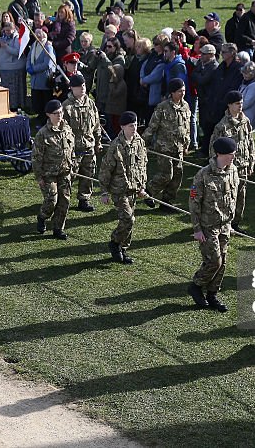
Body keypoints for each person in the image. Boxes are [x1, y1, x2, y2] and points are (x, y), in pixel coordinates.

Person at [187, 137, 240, 313]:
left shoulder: (233, 171)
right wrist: (196, 229)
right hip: (208, 226)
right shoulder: (203, 174)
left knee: (223, 262)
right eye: (229, 155)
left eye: (233, 154)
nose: (232, 157)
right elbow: (194, 202)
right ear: (219, 154)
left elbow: (233, 197)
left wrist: (231, 222)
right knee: (214, 261)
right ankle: (196, 285)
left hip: (225, 224)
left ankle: (212, 294)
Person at [99, 111, 148, 264]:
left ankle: (123, 249)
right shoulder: (116, 146)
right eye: (130, 126)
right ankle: (114, 243)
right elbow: (106, 169)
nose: (134, 128)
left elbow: (142, 166)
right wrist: (104, 191)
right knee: (128, 219)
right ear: (122, 127)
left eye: (135, 125)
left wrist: (142, 187)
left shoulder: (139, 142)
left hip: (133, 189)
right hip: (119, 190)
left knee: (129, 221)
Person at [143, 78, 191, 211]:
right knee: (166, 174)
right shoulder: (162, 107)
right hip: (164, 147)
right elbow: (152, 127)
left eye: (184, 91)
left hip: (179, 148)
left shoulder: (186, 106)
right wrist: (143, 143)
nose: (182, 93)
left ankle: (167, 202)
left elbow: (187, 128)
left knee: (177, 175)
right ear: (172, 92)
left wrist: (187, 144)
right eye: (180, 91)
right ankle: (149, 192)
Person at [209, 91, 255, 231]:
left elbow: (250, 143)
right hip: (228, 168)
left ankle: (235, 223)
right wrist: (218, 168)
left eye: (241, 103)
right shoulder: (222, 126)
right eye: (237, 104)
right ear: (229, 105)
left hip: (243, 166)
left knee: (241, 196)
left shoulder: (245, 121)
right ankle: (223, 223)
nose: (240, 106)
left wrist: (251, 162)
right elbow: (213, 149)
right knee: (227, 196)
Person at [33, 99, 76, 239]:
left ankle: (58, 228)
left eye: (61, 112)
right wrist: (39, 177)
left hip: (65, 172)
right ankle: (42, 217)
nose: (59, 115)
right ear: (48, 115)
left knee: (64, 201)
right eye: (56, 113)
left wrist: (73, 165)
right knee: (52, 199)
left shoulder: (67, 129)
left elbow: (71, 149)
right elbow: (36, 157)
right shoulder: (42, 134)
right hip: (48, 174)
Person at [61, 73, 101, 213]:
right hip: (73, 150)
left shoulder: (90, 104)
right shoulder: (66, 106)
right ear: (72, 88)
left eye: (83, 85)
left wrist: (98, 142)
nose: (82, 88)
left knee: (88, 174)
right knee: (68, 177)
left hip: (89, 146)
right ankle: (60, 200)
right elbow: (61, 130)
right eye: (78, 86)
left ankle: (84, 199)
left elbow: (96, 125)